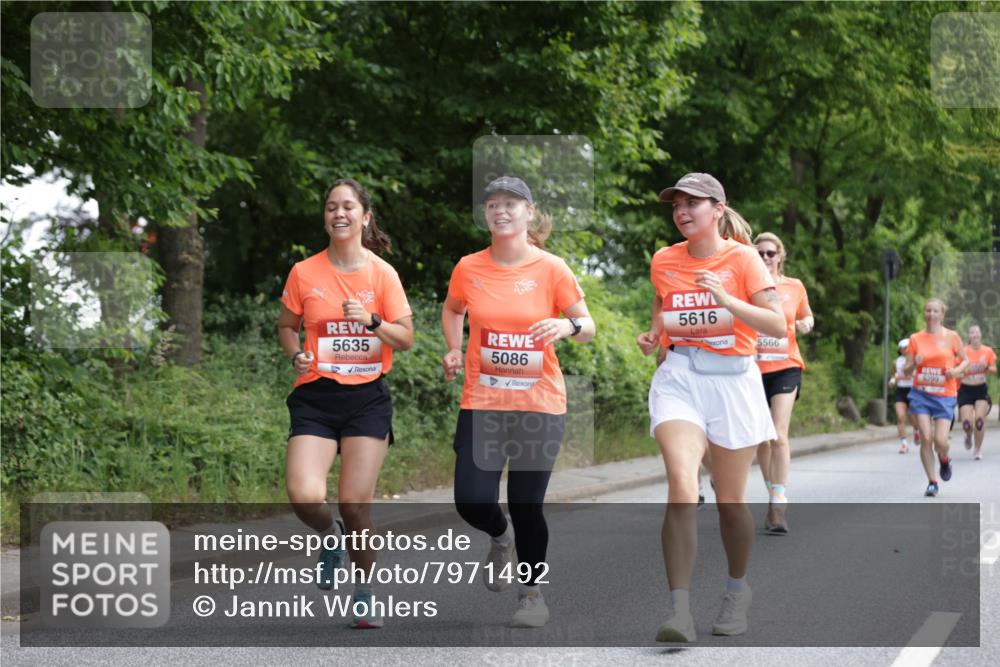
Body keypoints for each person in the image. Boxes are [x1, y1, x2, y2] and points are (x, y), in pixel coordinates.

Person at [636, 173, 785, 642]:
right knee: (682, 485)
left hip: (733, 382)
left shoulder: (743, 259)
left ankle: (736, 590)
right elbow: (665, 308)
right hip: (679, 377)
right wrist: (655, 334)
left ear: (717, 209)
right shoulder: (663, 259)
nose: (681, 212)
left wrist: (726, 300)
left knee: (730, 502)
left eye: (691, 204)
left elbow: (777, 325)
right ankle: (679, 611)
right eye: (676, 205)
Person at [441, 176, 595, 628]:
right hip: (483, 401)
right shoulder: (469, 267)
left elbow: (587, 325)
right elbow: (453, 309)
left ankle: (532, 593)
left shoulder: (552, 268)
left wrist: (566, 328)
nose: (500, 210)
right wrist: (453, 348)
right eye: (492, 204)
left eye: (511, 203)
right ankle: (499, 534)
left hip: (539, 404)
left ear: (530, 212)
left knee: (528, 504)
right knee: (470, 500)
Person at [277, 178, 414, 629]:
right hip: (316, 395)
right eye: (332, 206)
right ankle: (328, 536)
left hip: (366, 400)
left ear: (365, 217)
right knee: (304, 494)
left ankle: (365, 591)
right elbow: (287, 325)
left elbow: (407, 339)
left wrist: (373, 321)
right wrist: (294, 351)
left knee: (356, 504)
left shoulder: (382, 274)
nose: (339, 213)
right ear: (326, 216)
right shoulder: (304, 272)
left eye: (349, 206)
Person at [752, 232, 813, 534]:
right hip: (752, 369)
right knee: (761, 438)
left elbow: (807, 315)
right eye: (760, 253)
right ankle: (772, 492)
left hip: (787, 365)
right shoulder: (745, 286)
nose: (765, 258)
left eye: (770, 253)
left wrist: (806, 324)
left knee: (778, 433)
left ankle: (778, 502)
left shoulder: (795, 286)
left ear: (780, 256)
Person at [904, 298, 968, 497]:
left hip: (944, 395)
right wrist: (914, 362)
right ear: (925, 314)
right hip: (921, 394)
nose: (931, 314)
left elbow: (965, 361)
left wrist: (955, 371)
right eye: (928, 310)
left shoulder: (952, 337)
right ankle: (932, 481)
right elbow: (906, 370)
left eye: (935, 311)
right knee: (926, 437)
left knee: (941, 441)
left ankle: (944, 458)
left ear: (942, 314)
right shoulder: (915, 338)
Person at [959, 324, 996, 459]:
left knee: (979, 421)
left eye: (977, 332)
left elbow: (993, 369)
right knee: (967, 423)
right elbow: (956, 369)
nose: (975, 335)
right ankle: (968, 435)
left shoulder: (987, 351)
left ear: (981, 335)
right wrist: (966, 370)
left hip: (980, 389)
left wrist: (984, 366)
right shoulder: (963, 351)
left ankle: (977, 449)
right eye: (972, 333)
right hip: (966, 389)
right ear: (969, 336)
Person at [889, 338, 920, 454]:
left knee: (912, 417)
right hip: (901, 391)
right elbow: (894, 375)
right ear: (900, 350)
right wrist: (892, 381)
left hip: (913, 390)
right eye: (902, 348)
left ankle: (916, 430)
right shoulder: (896, 362)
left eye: (907, 348)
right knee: (900, 416)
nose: (905, 350)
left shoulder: (915, 361)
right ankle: (904, 444)